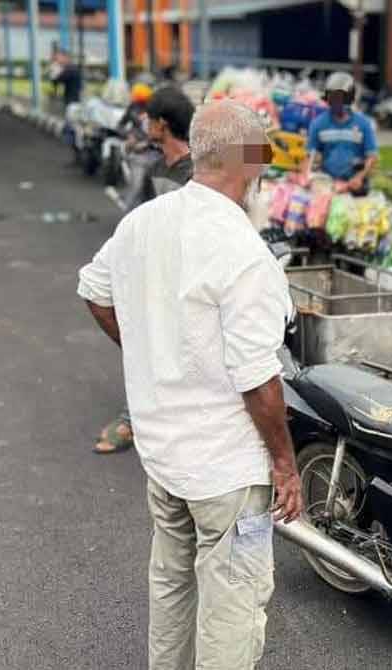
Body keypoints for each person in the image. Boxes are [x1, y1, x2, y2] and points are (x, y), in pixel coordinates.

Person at [76, 99, 300, 669]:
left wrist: (151, 350)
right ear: (250, 166)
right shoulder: (246, 254)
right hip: (226, 472)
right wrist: (285, 465)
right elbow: (258, 377)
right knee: (233, 607)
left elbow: (95, 292)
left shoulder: (143, 222)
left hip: (163, 456)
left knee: (172, 587)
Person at [94, 87, 197, 455]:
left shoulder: (197, 172)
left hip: (190, 276)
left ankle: (157, 417)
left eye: (150, 119)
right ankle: (138, 416)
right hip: (156, 272)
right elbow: (138, 219)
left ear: (163, 125)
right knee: (144, 338)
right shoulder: (156, 167)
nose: (144, 124)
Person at [301, 72, 378, 195]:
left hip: (356, 186)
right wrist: (306, 176)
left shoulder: (364, 124)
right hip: (328, 185)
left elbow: (372, 157)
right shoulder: (318, 123)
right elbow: (309, 155)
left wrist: (360, 177)